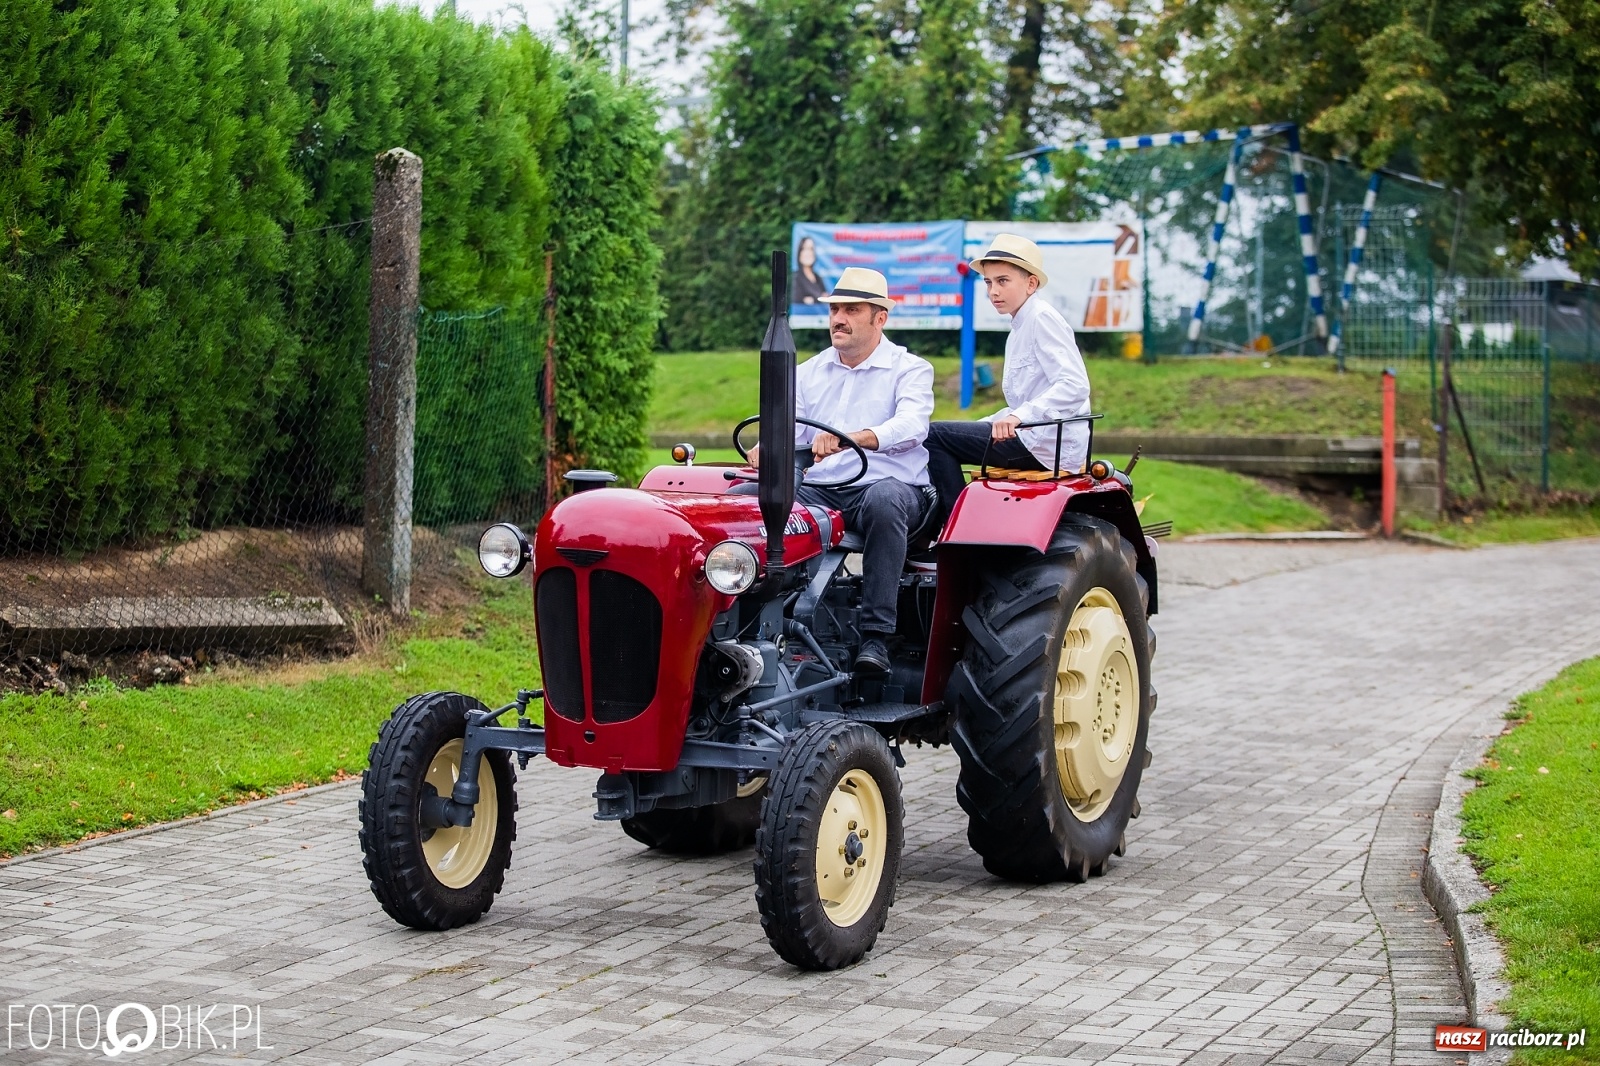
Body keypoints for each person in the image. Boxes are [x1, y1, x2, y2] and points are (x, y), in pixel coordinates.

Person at [750, 267, 934, 674]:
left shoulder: (910, 369)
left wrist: (855, 437)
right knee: (747, 501)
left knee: (886, 501)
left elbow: (913, 426)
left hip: (892, 486)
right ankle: (750, 617)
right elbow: (789, 427)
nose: (839, 318)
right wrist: (767, 444)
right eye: (835, 309)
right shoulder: (810, 371)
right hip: (823, 489)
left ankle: (876, 637)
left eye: (852, 309)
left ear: (879, 318)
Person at [925, 233, 1092, 520]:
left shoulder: (1041, 317)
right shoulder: (1019, 327)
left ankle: (953, 528)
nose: (993, 291)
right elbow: (1023, 402)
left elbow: (1075, 385)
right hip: (1032, 436)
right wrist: (987, 423)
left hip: (1044, 444)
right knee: (933, 436)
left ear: (1031, 283)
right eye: (989, 282)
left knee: (933, 436)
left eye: (1003, 281)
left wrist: (1019, 417)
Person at [791, 237, 828, 305]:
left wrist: (813, 300)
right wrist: (819, 299)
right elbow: (796, 300)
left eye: (811, 249)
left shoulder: (818, 277)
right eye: (804, 249)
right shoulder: (795, 277)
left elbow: (826, 299)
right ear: (799, 252)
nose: (808, 253)